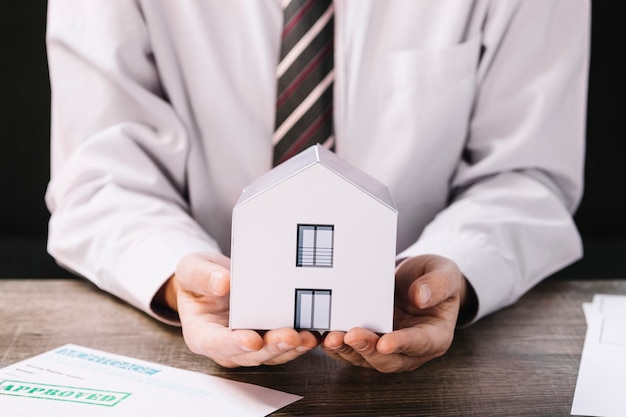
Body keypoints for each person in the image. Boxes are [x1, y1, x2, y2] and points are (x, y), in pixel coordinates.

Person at [45, 1, 590, 373]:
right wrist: (183, 275)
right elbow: (99, 173)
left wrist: (453, 264)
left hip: (414, 332)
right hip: (197, 352)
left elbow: (527, 172)